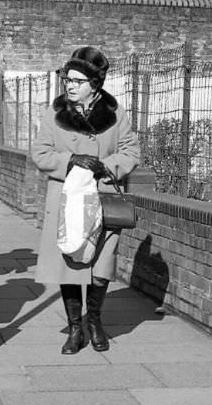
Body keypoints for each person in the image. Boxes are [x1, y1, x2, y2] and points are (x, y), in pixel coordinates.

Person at [31, 46, 140, 355]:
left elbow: (131, 151)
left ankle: (94, 322)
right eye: (68, 78)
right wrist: (71, 160)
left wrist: (106, 167)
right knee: (68, 264)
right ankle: (75, 329)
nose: (70, 85)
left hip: (102, 195)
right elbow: (40, 153)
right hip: (66, 198)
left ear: (95, 84)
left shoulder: (116, 114)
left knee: (101, 265)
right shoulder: (53, 114)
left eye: (77, 81)